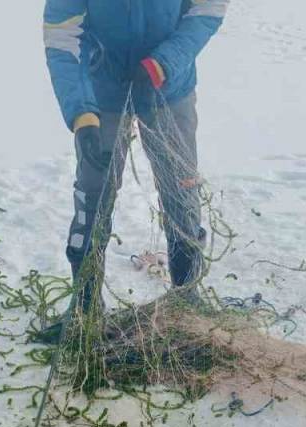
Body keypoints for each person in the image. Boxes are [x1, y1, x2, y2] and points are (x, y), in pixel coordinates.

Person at [40, 0, 227, 333]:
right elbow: (62, 34)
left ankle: (186, 301)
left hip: (169, 88)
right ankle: (85, 309)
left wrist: (165, 62)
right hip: (102, 95)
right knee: (93, 193)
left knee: (181, 188)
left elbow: (208, 8)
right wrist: (81, 113)